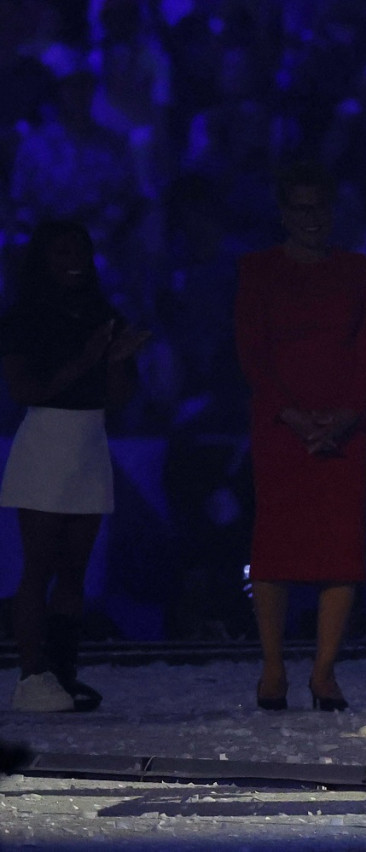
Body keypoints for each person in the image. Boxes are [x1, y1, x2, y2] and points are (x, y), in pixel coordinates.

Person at [234, 160, 366, 712]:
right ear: (283, 213)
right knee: (275, 547)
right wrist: (291, 414)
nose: (312, 219)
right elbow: (253, 351)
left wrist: (344, 415)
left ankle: (324, 672)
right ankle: (273, 670)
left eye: (319, 207)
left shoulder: (357, 270)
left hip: (345, 429)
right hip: (280, 426)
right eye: (300, 209)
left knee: (339, 548)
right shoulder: (257, 270)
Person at [1, 220, 149, 712]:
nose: (73, 261)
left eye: (80, 251)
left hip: (89, 441)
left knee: (73, 571)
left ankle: (63, 673)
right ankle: (30, 674)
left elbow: (119, 398)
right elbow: (25, 390)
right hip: (46, 439)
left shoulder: (101, 313)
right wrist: (88, 359)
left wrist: (116, 360)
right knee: (39, 566)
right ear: (43, 258)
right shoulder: (25, 317)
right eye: (61, 251)